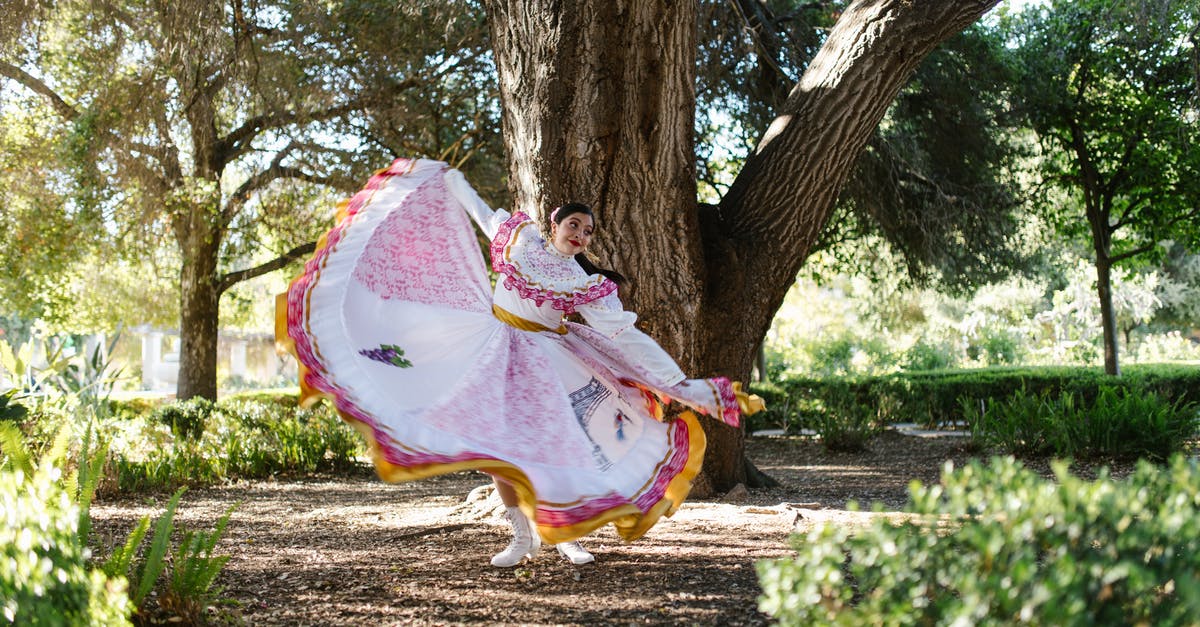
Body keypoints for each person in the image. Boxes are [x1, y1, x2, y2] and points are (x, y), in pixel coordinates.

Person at [280, 158, 762, 568]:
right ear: (555, 223)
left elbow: (625, 335)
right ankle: (522, 536)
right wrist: (454, 181)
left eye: (588, 232)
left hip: (549, 358)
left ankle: (563, 532)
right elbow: (484, 215)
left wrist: (681, 384)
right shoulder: (522, 243)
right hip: (490, 344)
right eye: (574, 225)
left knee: (556, 444)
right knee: (498, 446)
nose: (581, 235)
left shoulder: (583, 281)